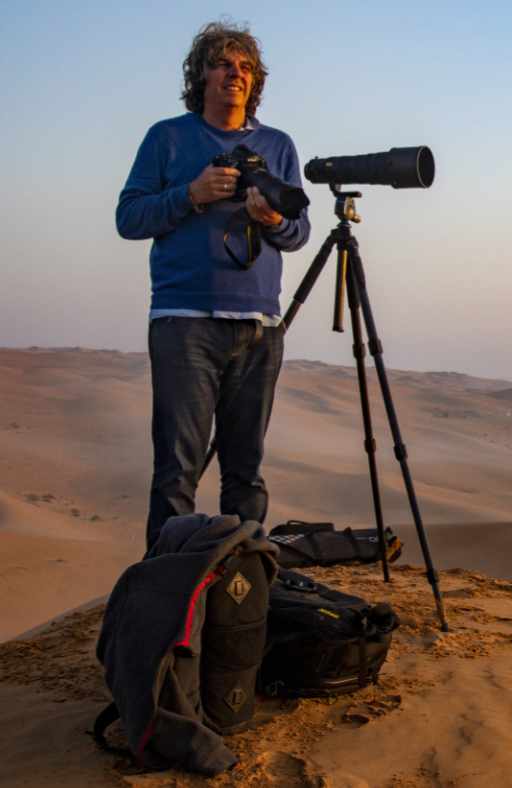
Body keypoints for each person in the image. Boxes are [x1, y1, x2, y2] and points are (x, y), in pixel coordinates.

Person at [117, 21, 311, 551]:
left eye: (246, 67)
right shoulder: (168, 138)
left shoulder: (277, 145)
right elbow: (129, 218)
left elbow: (298, 233)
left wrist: (270, 220)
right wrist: (192, 193)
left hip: (260, 327)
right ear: (200, 75)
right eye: (224, 64)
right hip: (185, 323)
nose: (236, 74)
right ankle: (163, 600)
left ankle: (243, 595)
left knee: (246, 473)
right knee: (177, 474)